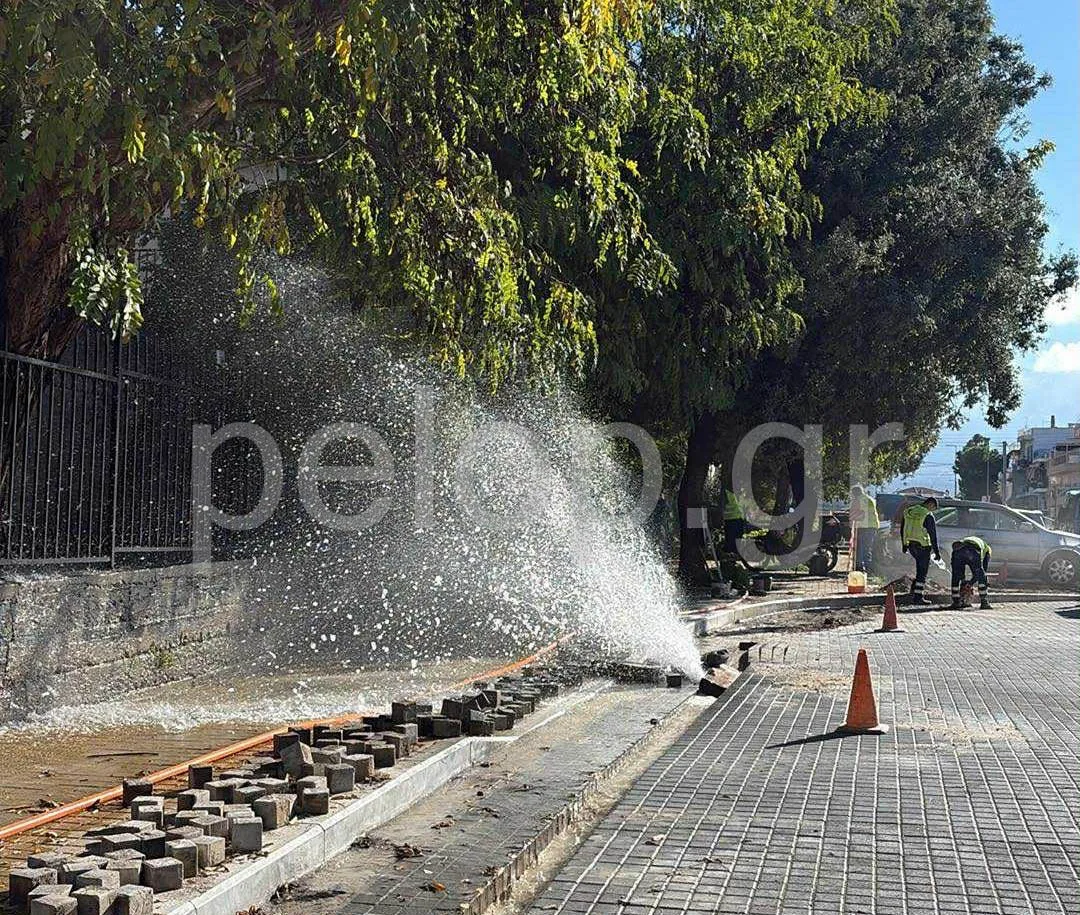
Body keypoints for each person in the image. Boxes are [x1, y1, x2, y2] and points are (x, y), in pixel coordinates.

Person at [900, 496, 940, 604]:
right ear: (931, 504)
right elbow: (933, 535)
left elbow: (902, 528)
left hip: (911, 545)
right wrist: (937, 552)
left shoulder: (909, 511)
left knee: (919, 569)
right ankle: (918, 597)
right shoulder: (927, 515)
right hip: (923, 546)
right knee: (922, 572)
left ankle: (914, 590)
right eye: (934, 508)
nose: (932, 510)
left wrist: (904, 544)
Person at [950, 535, 992, 610]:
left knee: (956, 574)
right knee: (981, 576)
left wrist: (964, 581)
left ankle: (956, 602)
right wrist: (970, 584)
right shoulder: (987, 551)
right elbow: (980, 573)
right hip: (972, 551)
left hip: (958, 550)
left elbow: (957, 569)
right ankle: (984, 602)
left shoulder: (968, 543)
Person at [849, 484, 880, 571]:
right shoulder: (870, 499)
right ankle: (868, 567)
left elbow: (855, 513)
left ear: (855, 493)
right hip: (873, 526)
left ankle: (859, 567)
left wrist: (850, 524)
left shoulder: (857, 500)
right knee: (867, 547)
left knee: (859, 548)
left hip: (862, 526)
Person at [722, 487, 746, 553]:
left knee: (738, 541)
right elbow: (722, 506)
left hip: (739, 520)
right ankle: (728, 557)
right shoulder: (727, 493)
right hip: (730, 520)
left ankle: (734, 556)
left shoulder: (740, 494)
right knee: (731, 541)